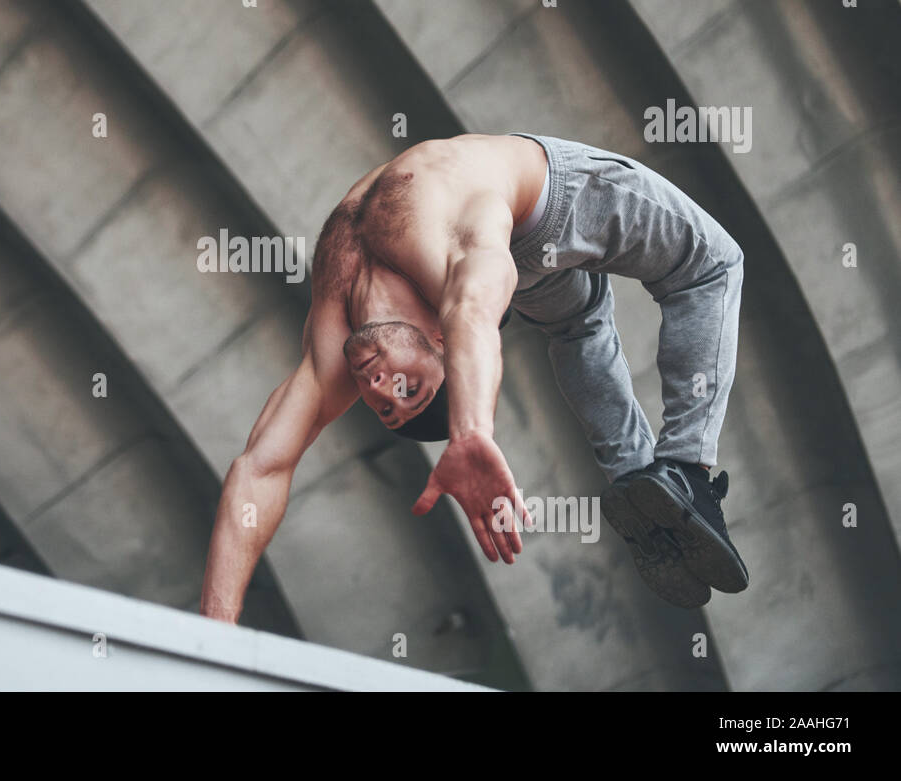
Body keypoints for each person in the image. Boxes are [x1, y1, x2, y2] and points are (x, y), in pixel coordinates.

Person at [199, 132, 748, 615]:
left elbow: (262, 469)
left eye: (388, 403)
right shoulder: (458, 277)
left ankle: (641, 480)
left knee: (578, 328)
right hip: (549, 209)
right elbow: (472, 313)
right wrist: (214, 640)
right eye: (409, 391)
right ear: (439, 340)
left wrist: (469, 435)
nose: (380, 388)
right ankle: (683, 472)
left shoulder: (335, 346)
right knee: (710, 265)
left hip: (520, 240)